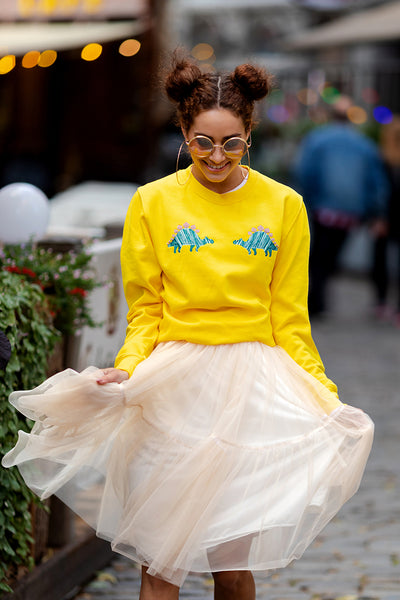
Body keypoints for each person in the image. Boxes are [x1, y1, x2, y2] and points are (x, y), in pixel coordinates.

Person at [2, 53, 374, 600]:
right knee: (161, 562)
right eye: (203, 142)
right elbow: (145, 310)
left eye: (232, 143)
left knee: (232, 565)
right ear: (183, 131)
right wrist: (127, 369)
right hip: (172, 388)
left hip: (253, 388)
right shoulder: (152, 203)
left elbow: (289, 315)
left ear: (250, 133)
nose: (217, 156)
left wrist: (321, 391)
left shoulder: (286, 205)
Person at [293, 96, 390, 317]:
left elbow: (304, 171)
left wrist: (311, 199)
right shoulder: (365, 145)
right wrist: (375, 210)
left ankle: (315, 300)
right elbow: (376, 180)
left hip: (323, 208)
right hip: (351, 211)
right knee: (331, 256)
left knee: (318, 255)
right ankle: (318, 298)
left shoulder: (317, 139)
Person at [370, 115, 400, 326]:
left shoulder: (382, 158)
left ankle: (381, 302)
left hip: (385, 217)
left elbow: (377, 190)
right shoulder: (383, 158)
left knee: (380, 259)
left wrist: (378, 216)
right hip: (387, 216)